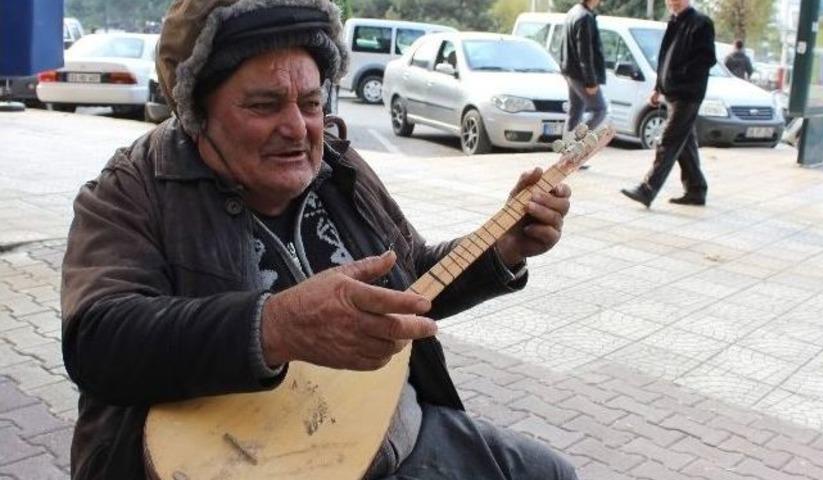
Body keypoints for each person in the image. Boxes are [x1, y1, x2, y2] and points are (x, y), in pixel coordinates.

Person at [60, 1, 579, 479]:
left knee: (550, 472)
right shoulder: (133, 187)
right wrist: (275, 327)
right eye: (264, 106)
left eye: (310, 102)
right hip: (235, 462)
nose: (297, 127)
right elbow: (99, 341)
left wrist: (503, 248)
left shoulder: (338, 164)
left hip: (394, 436)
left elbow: (410, 276)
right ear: (197, 113)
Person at [620, 0, 716, 208]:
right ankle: (696, 189)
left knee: (668, 141)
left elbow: (705, 59)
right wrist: (658, 87)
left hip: (688, 95)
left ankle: (647, 189)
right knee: (685, 145)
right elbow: (665, 60)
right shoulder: (674, 22)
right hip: (672, 93)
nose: (671, 1)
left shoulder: (701, 23)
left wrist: (677, 78)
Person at [559, 0, 607, 132]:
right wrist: (591, 82)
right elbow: (585, 53)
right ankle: (575, 141)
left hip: (570, 71)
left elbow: (563, 45)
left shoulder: (573, 12)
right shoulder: (584, 17)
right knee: (600, 110)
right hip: (580, 75)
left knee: (575, 112)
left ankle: (568, 148)